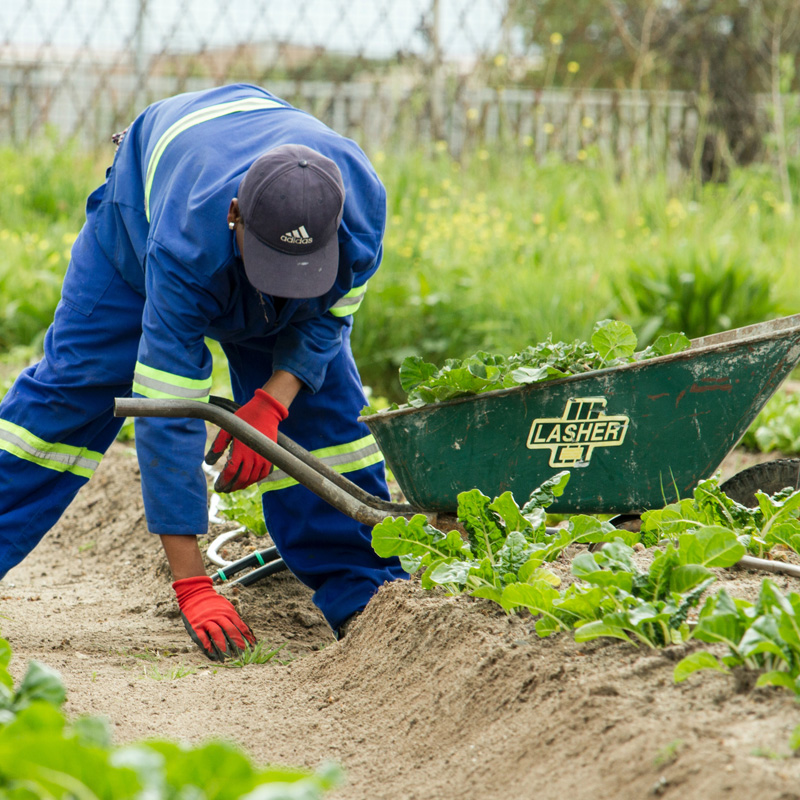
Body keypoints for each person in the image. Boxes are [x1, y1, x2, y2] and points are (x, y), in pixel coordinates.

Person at [0, 83, 406, 660]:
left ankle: (366, 597)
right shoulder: (186, 241)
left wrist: (274, 401)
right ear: (235, 217)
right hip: (143, 218)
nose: (280, 289)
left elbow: (328, 319)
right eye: (270, 268)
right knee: (73, 390)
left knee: (324, 420)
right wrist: (192, 581)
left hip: (254, 204)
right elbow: (169, 411)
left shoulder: (359, 214)